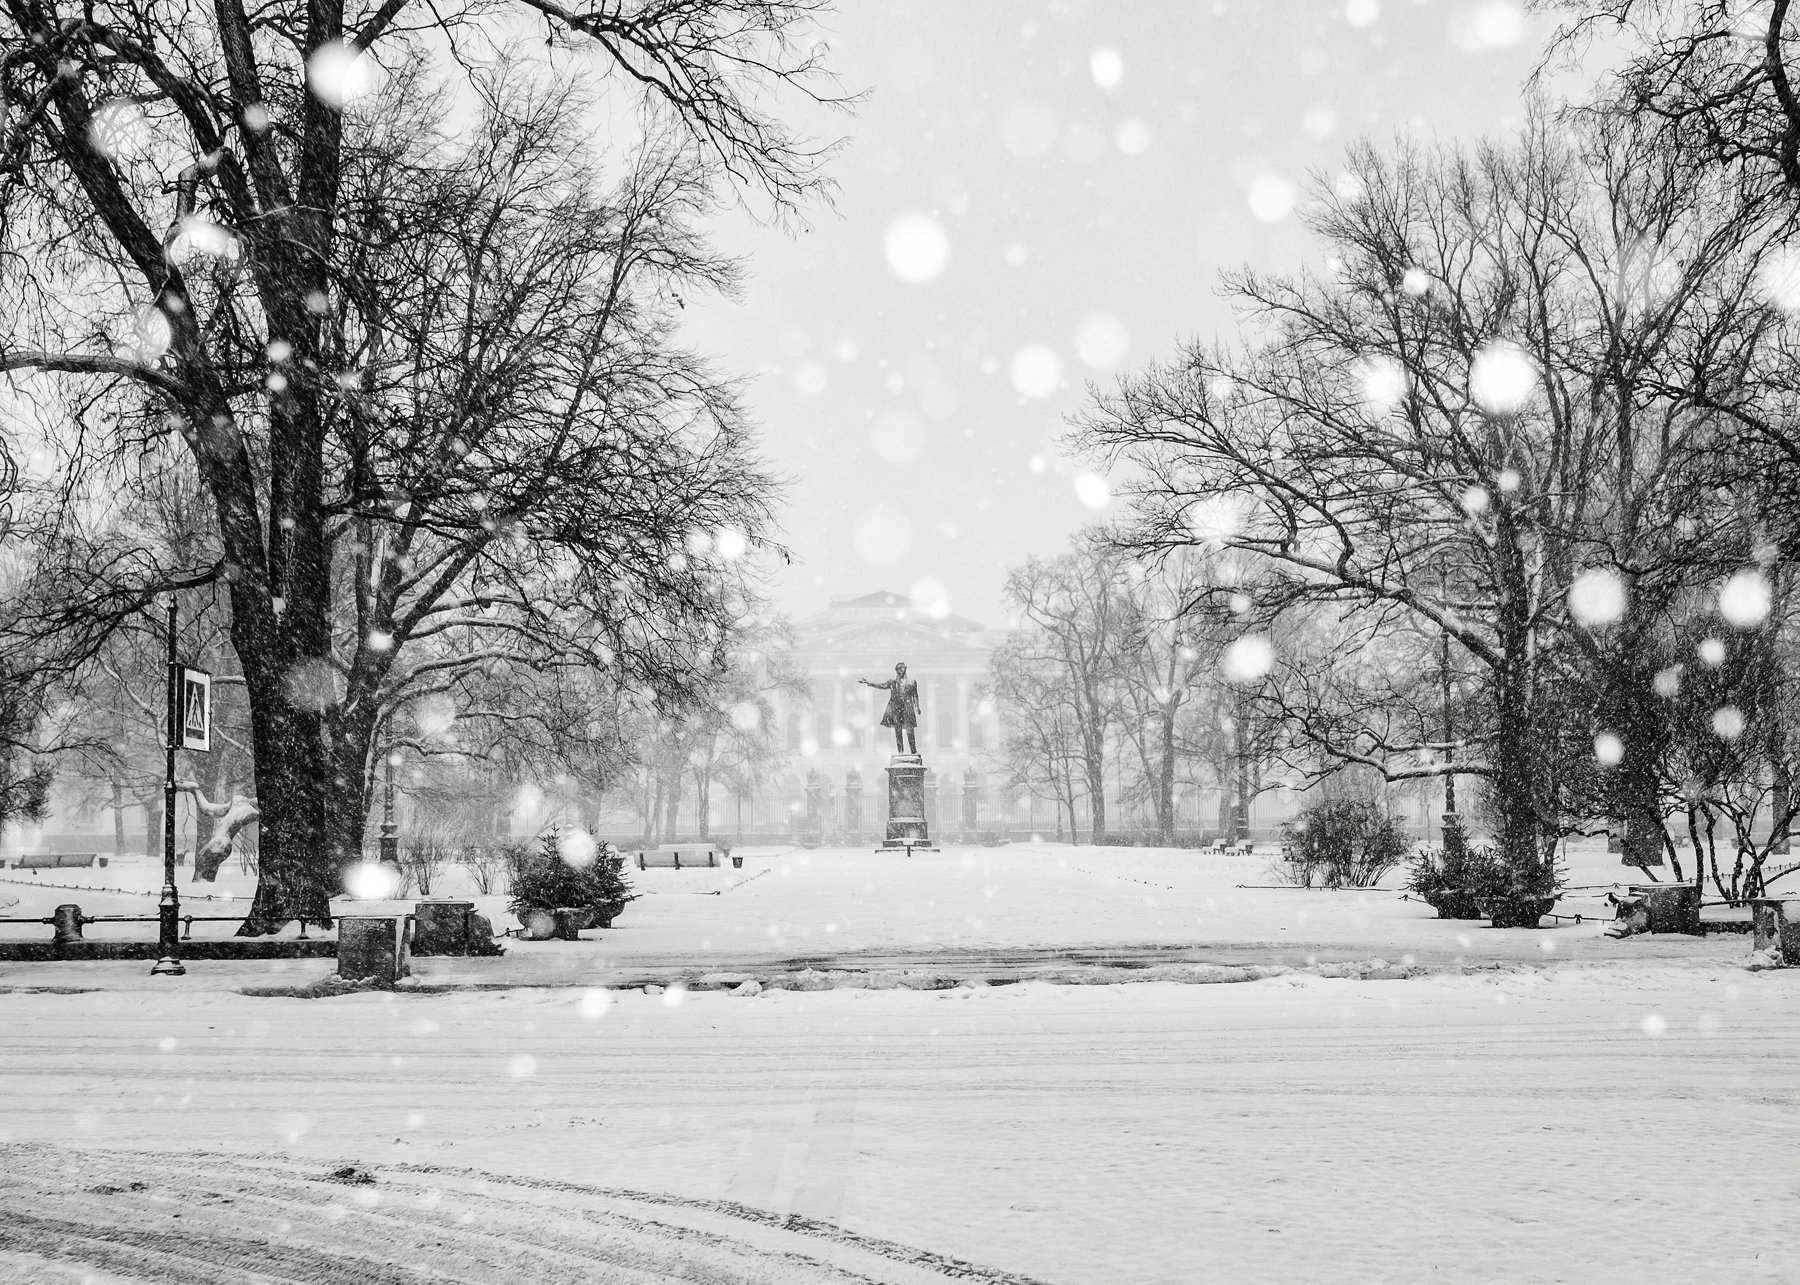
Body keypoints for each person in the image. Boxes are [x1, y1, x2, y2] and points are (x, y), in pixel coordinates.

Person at [859, 661, 921, 755]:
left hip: (908, 709)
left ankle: (914, 751)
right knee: (898, 731)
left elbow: (915, 695)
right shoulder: (892, 682)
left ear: (905, 669)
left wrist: (917, 707)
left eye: (903, 668)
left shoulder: (912, 682)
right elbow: (881, 685)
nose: (901, 670)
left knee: (910, 730)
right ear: (897, 671)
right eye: (899, 669)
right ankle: (900, 752)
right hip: (896, 709)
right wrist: (869, 682)